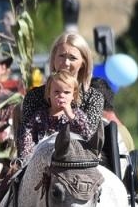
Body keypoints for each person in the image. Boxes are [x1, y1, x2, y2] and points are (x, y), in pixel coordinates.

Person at [16, 30, 105, 161]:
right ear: (53, 59)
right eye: (61, 56)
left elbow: (90, 137)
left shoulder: (94, 98)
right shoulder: (34, 96)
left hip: (81, 162)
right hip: (39, 161)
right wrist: (28, 164)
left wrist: (72, 116)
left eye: (72, 58)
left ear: (83, 62)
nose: (66, 63)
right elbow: (26, 135)